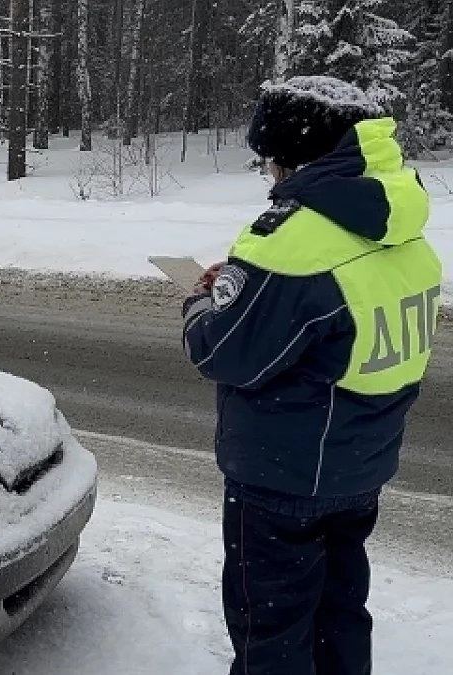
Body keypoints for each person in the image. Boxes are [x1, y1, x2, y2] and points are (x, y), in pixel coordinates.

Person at [182, 75, 443, 675]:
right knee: (340, 612)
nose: (271, 175)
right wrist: (254, 286)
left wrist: (202, 300)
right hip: (361, 468)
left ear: (292, 156)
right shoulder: (400, 230)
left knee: (270, 634)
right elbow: (339, 311)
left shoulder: (292, 242)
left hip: (281, 481)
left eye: (272, 161)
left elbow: (221, 353)